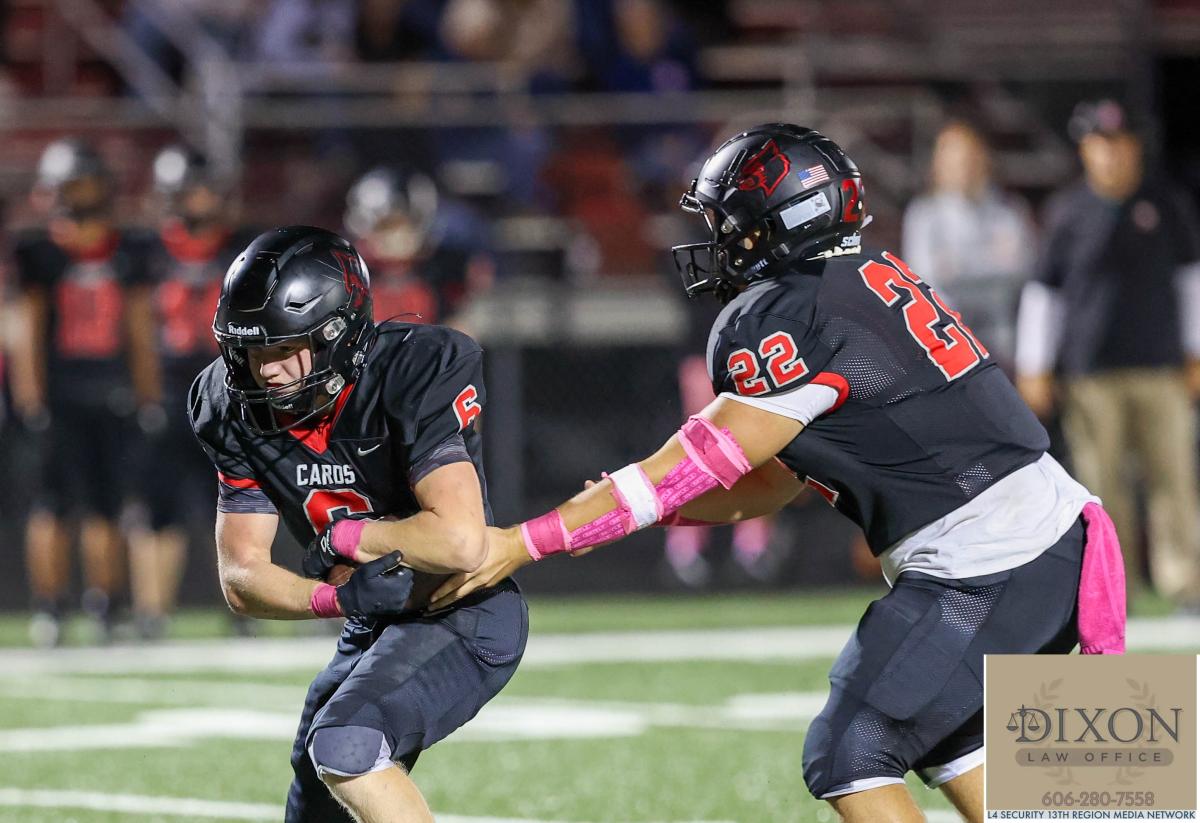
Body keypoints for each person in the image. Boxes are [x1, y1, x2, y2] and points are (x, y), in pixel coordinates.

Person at [430, 124, 1125, 823]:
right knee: (954, 736)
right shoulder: (870, 278)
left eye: (734, 226)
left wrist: (524, 541)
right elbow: (769, 483)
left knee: (848, 752)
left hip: (989, 559)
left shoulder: (788, 316)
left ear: (784, 224)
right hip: (1051, 538)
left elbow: (688, 465)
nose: (723, 243)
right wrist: (653, 510)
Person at [187, 226, 526, 822]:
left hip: (460, 609)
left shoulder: (413, 369)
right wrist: (335, 599)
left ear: (337, 336)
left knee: (348, 744)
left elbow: (460, 542)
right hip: (370, 621)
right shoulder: (227, 405)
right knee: (314, 803)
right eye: (251, 352)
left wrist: (346, 538)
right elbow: (241, 574)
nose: (266, 372)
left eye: (283, 349)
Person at [1016, 99, 1200, 610]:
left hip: (1161, 368)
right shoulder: (1067, 212)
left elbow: (1192, 281)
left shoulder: (1166, 204)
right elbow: (1044, 293)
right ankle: (1115, 592)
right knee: (1100, 487)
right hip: (1089, 373)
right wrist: (1035, 365)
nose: (1111, 154)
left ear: (1135, 148)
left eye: (1119, 144)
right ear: (1086, 150)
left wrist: (1195, 352)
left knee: (1173, 479)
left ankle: (1186, 586)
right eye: (1101, 144)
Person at [10, 138, 159, 646]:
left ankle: (104, 602)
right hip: (59, 395)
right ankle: (50, 605)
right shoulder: (39, 252)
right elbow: (28, 330)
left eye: (87, 184)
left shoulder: (128, 250)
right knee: (51, 506)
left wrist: (146, 393)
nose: (81, 195)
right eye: (72, 185)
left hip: (111, 391)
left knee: (106, 506)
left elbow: (139, 328)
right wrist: (31, 398)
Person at [129, 145, 257, 639]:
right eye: (190, 191)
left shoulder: (242, 248)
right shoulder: (147, 252)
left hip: (229, 391)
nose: (199, 200)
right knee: (156, 508)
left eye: (205, 190)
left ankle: (246, 604)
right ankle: (151, 612)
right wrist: (144, 392)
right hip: (168, 391)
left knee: (235, 502)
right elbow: (137, 327)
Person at [902, 121, 1036, 366]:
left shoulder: (1010, 212)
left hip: (1004, 345)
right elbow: (927, 284)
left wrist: (957, 269)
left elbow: (1021, 272)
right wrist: (991, 264)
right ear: (937, 163)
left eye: (968, 156)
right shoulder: (923, 215)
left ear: (984, 158)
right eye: (952, 157)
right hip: (948, 348)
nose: (962, 165)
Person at [344, 166, 495, 331]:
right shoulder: (351, 274)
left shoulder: (442, 271)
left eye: (401, 228)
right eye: (386, 228)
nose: (395, 238)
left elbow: (460, 328)